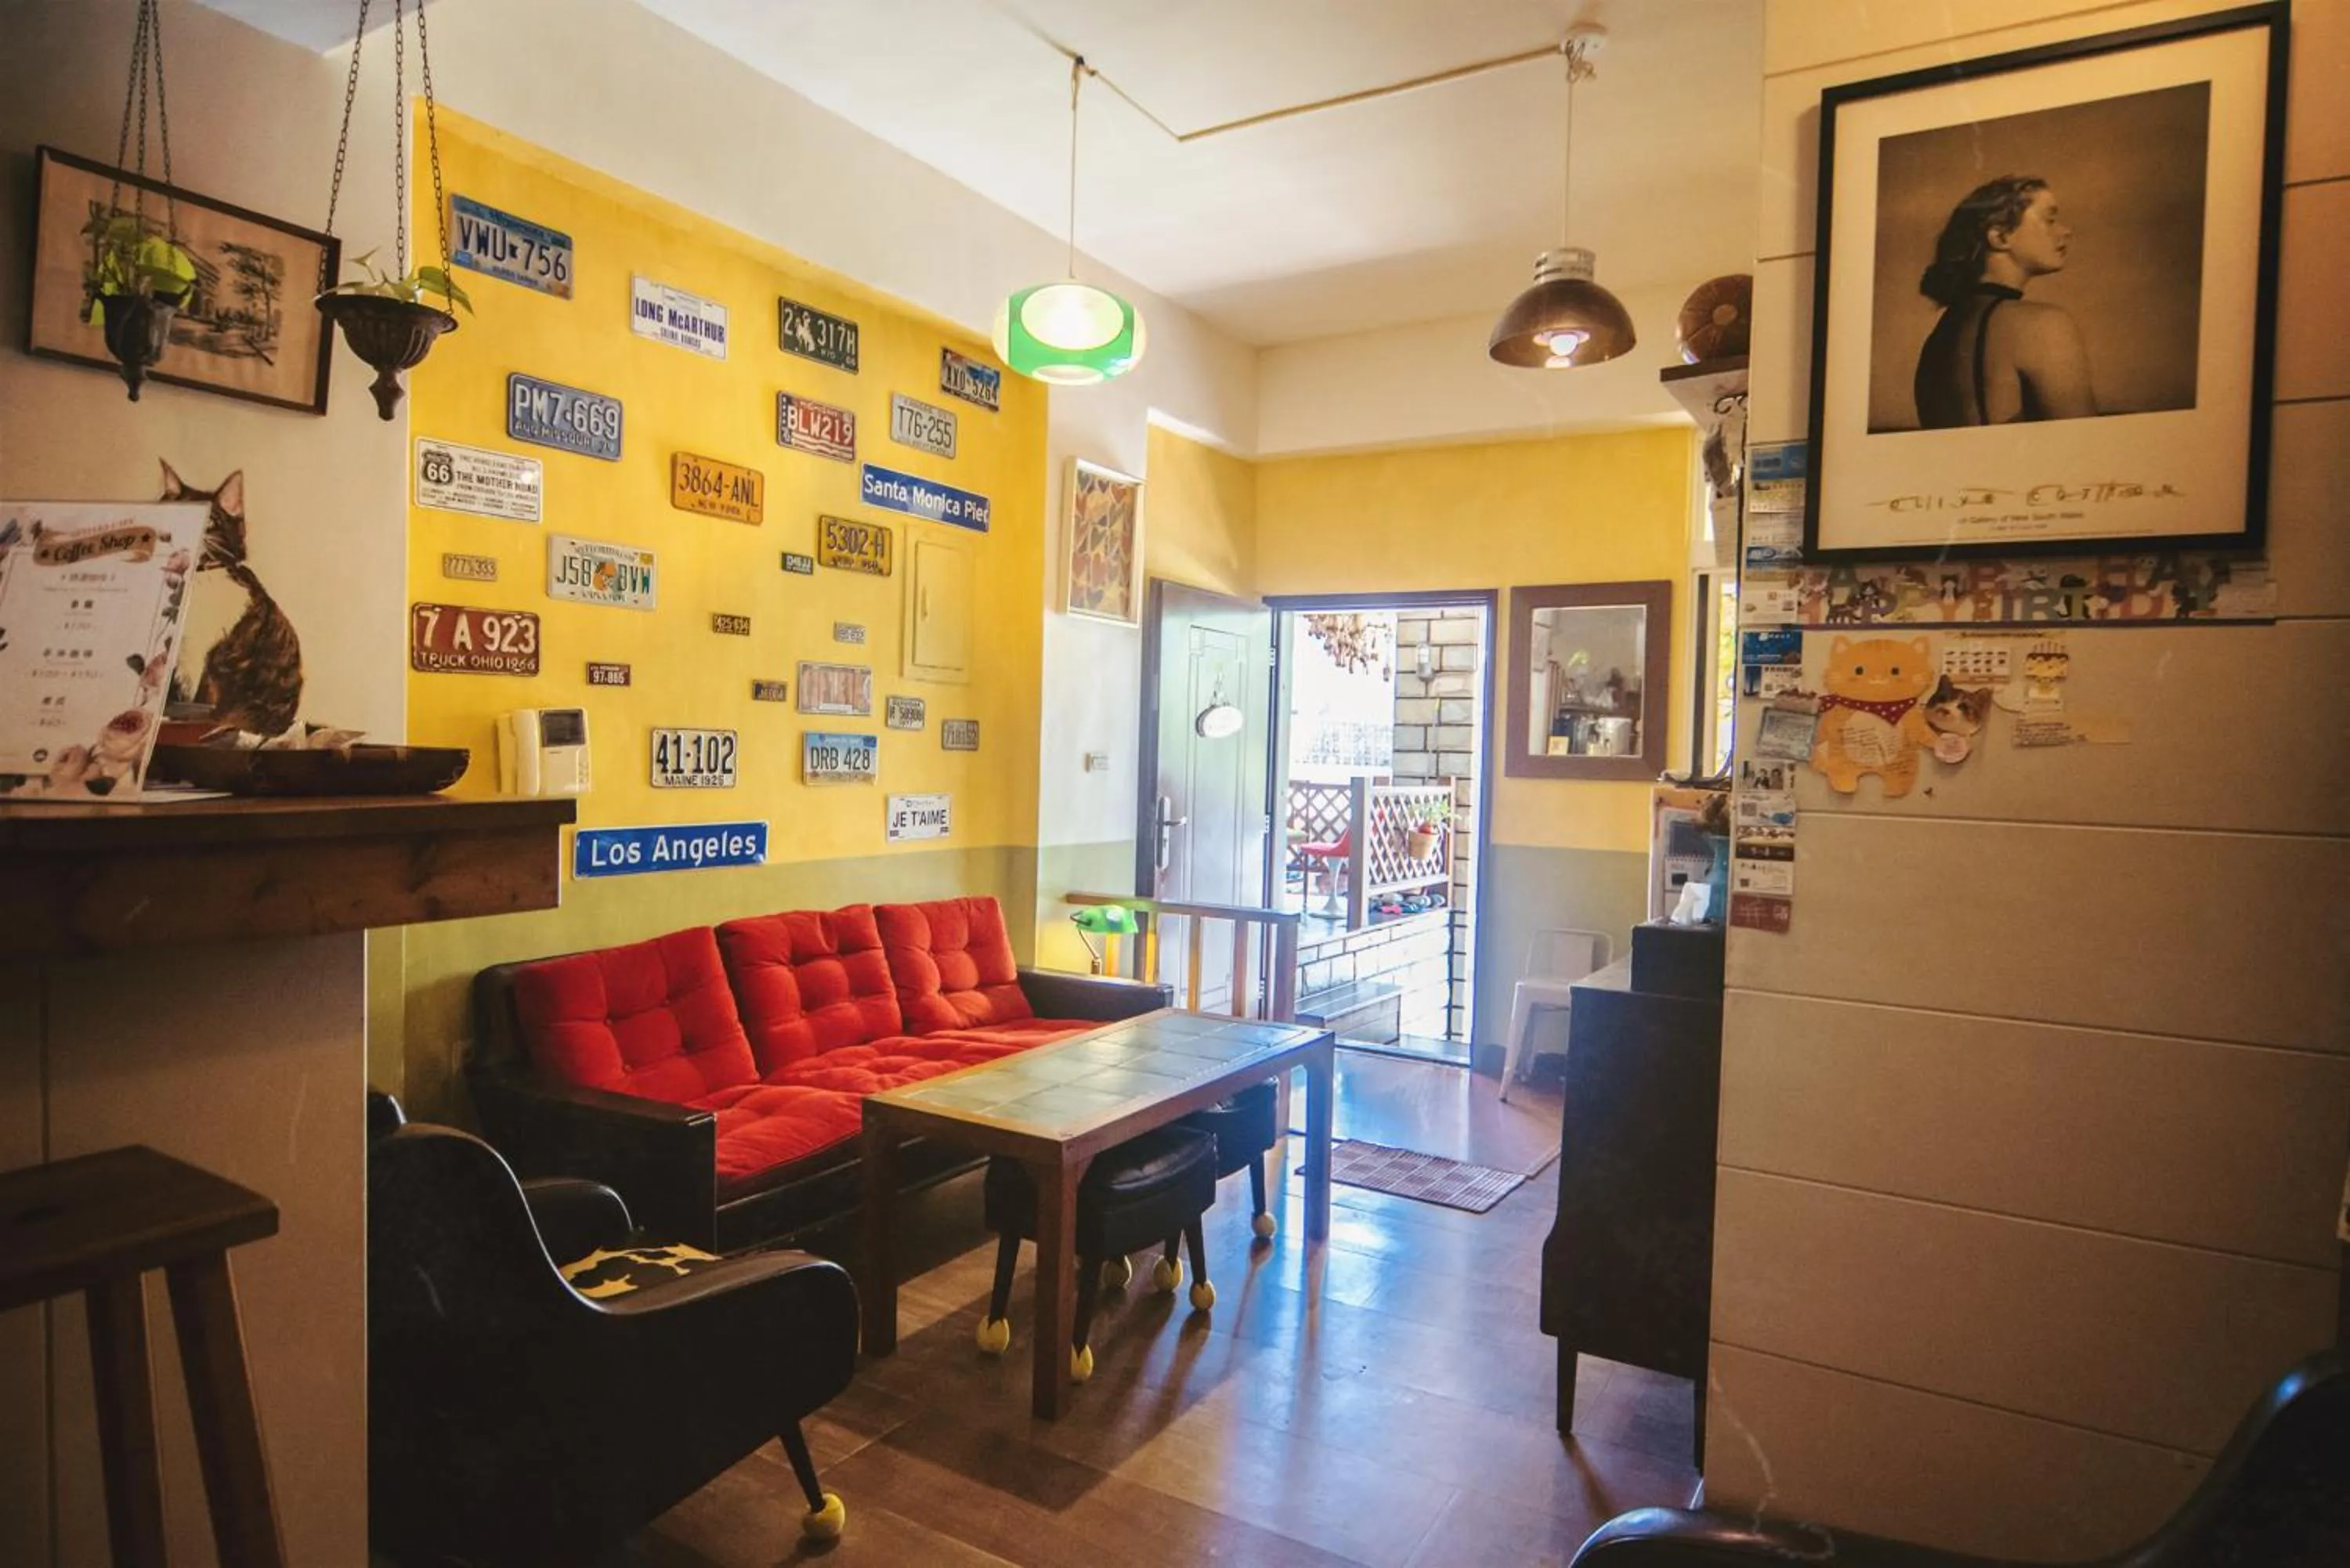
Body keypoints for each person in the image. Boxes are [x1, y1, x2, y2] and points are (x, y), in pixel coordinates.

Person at [1911, 175, 2096, 428]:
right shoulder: (2043, 326)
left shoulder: (1938, 340)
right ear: (2000, 237)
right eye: (2050, 219)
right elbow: (2083, 448)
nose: (2066, 230)